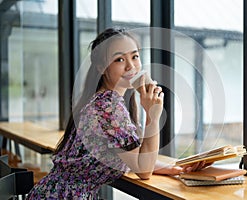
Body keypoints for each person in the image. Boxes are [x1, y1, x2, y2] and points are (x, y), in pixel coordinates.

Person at [26, 27, 209, 199]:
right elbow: (143, 169)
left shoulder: (105, 101)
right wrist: (153, 116)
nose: (131, 67)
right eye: (119, 59)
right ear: (102, 67)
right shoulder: (108, 108)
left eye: (135, 57)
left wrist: (175, 167)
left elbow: (131, 157)